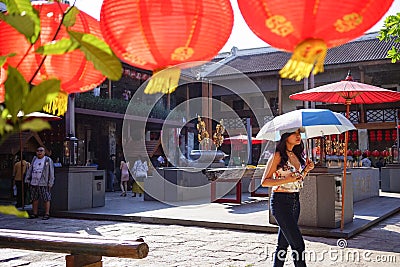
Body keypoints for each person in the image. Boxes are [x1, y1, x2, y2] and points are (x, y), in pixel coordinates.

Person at [261, 128, 314, 267]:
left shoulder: (297, 155)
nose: (298, 136)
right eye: (294, 133)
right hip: (280, 202)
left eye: (299, 134)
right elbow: (264, 181)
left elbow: (297, 180)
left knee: (282, 245)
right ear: (285, 136)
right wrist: (286, 180)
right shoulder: (278, 156)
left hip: (295, 201)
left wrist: (306, 170)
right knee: (298, 245)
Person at [25, 147, 55, 220]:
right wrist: (27, 179)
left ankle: (47, 213)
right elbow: (30, 169)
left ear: (44, 152)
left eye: (41, 151)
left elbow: (51, 172)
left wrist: (50, 182)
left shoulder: (47, 160)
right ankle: (35, 213)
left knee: (46, 198)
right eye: (37, 150)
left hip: (43, 182)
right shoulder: (34, 159)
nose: (39, 152)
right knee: (34, 198)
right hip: (34, 182)